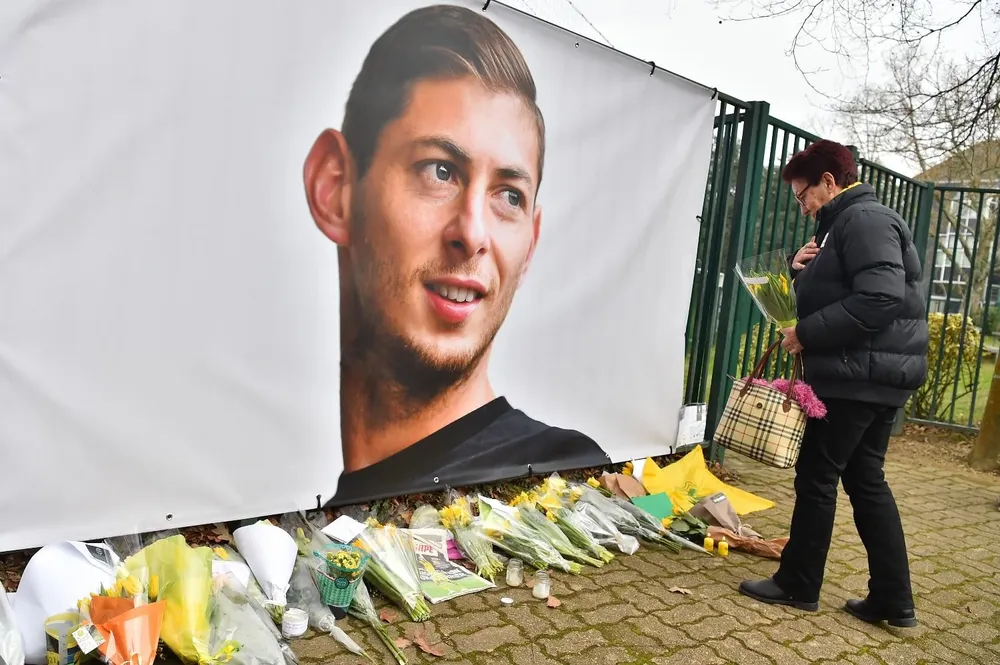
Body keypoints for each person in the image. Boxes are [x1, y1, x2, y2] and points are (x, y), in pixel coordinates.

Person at [302, 5, 609, 505]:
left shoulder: (555, 478)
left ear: (530, 242)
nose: (472, 233)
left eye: (509, 196)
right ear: (335, 189)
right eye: (439, 171)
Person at [738, 140, 928, 628]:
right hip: (870, 375)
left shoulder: (863, 220)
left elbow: (880, 299)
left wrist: (805, 333)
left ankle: (798, 584)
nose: (802, 208)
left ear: (829, 181)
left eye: (804, 196)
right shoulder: (846, 225)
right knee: (866, 481)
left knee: (817, 476)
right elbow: (850, 289)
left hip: (855, 378)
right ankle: (893, 601)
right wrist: (804, 270)